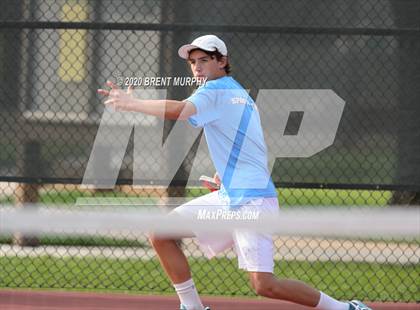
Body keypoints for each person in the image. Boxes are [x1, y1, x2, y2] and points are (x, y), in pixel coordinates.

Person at [98, 35, 372, 310]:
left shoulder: (216, 90)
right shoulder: (236, 93)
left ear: (222, 61)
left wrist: (132, 104)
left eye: (204, 60)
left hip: (251, 200)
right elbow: (249, 141)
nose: (197, 68)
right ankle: (191, 307)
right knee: (161, 234)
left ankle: (346, 309)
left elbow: (181, 110)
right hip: (232, 195)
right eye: (193, 62)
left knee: (264, 285)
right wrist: (225, 176)